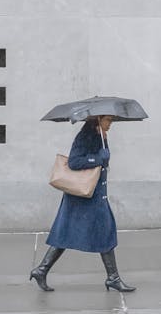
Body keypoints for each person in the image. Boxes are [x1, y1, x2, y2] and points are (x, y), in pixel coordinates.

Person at [29, 115, 136, 293]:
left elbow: (103, 162)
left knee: (102, 232)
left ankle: (42, 270)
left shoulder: (101, 136)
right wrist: (97, 158)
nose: (111, 123)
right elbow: (74, 161)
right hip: (83, 198)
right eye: (108, 119)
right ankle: (112, 278)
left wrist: (103, 155)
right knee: (71, 234)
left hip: (95, 196)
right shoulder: (85, 136)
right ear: (98, 119)